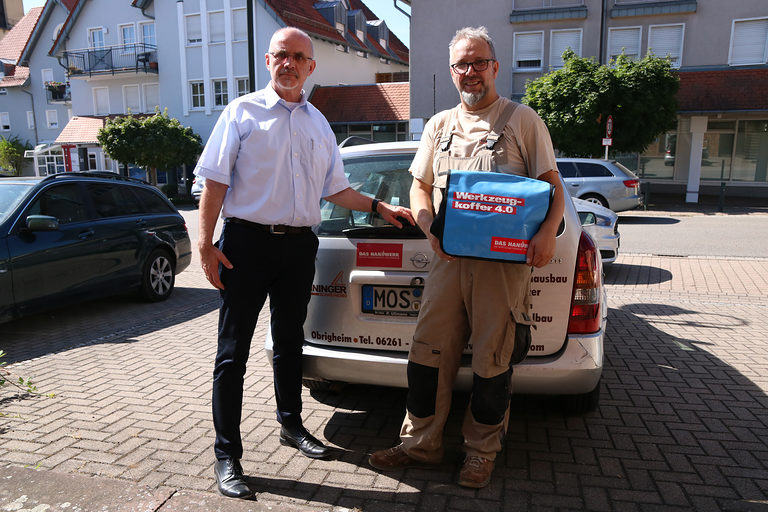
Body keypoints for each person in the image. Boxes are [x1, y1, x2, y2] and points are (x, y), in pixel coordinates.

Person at [195, 27, 414, 499]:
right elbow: (213, 181)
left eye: (299, 57)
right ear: (269, 61)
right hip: (246, 246)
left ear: (311, 67)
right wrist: (204, 244)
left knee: (291, 340)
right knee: (232, 353)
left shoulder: (319, 124)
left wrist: (379, 207)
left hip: (299, 247)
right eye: (281, 56)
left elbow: (335, 188)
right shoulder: (242, 112)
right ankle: (227, 455)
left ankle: (291, 425)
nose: (289, 64)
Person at [368, 26, 565, 489]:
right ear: (452, 71)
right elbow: (419, 184)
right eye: (462, 64)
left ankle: (480, 453)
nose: (470, 72)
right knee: (427, 356)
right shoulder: (438, 126)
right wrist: (426, 223)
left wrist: (549, 235)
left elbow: (552, 185)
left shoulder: (522, 120)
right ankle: (421, 445)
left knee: (493, 361)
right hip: (447, 261)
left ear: (495, 67)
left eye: (479, 63)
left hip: (502, 269)